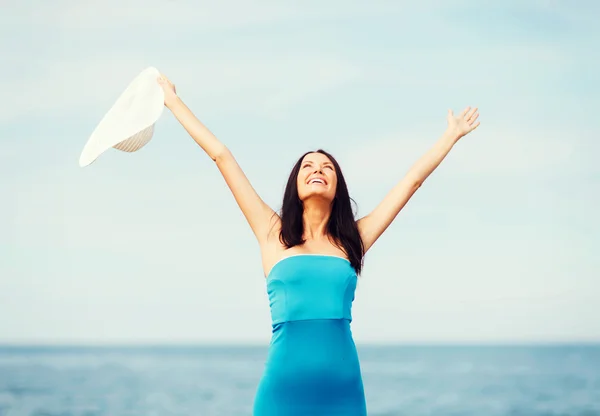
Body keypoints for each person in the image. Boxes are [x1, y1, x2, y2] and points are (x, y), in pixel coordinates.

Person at [156, 74, 480, 415]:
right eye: (308, 166)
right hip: (283, 389)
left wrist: (451, 136)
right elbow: (222, 156)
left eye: (327, 167)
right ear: (295, 184)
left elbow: (411, 182)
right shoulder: (272, 233)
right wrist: (173, 102)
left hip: (342, 390)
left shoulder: (353, 241)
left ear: (337, 186)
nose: (318, 169)